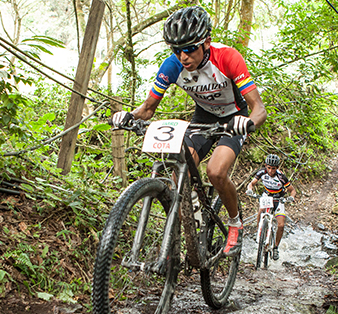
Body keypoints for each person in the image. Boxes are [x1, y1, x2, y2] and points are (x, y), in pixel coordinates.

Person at [112, 6, 267, 257]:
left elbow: (258, 108)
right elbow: (148, 108)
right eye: (176, 50)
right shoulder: (172, 65)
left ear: (205, 41)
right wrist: (129, 116)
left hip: (233, 119)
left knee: (216, 172)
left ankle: (235, 223)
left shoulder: (227, 57)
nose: (183, 56)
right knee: (178, 173)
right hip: (203, 118)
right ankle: (195, 221)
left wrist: (247, 122)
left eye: (189, 49)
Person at [246, 154, 296, 260]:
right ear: (266, 166)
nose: (270, 171)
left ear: (277, 168)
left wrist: (291, 197)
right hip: (267, 196)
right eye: (268, 168)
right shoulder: (262, 172)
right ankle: (259, 231)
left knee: (281, 225)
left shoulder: (281, 176)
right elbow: (252, 183)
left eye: (273, 168)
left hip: (279, 198)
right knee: (261, 210)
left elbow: (292, 190)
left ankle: (276, 247)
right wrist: (250, 189)